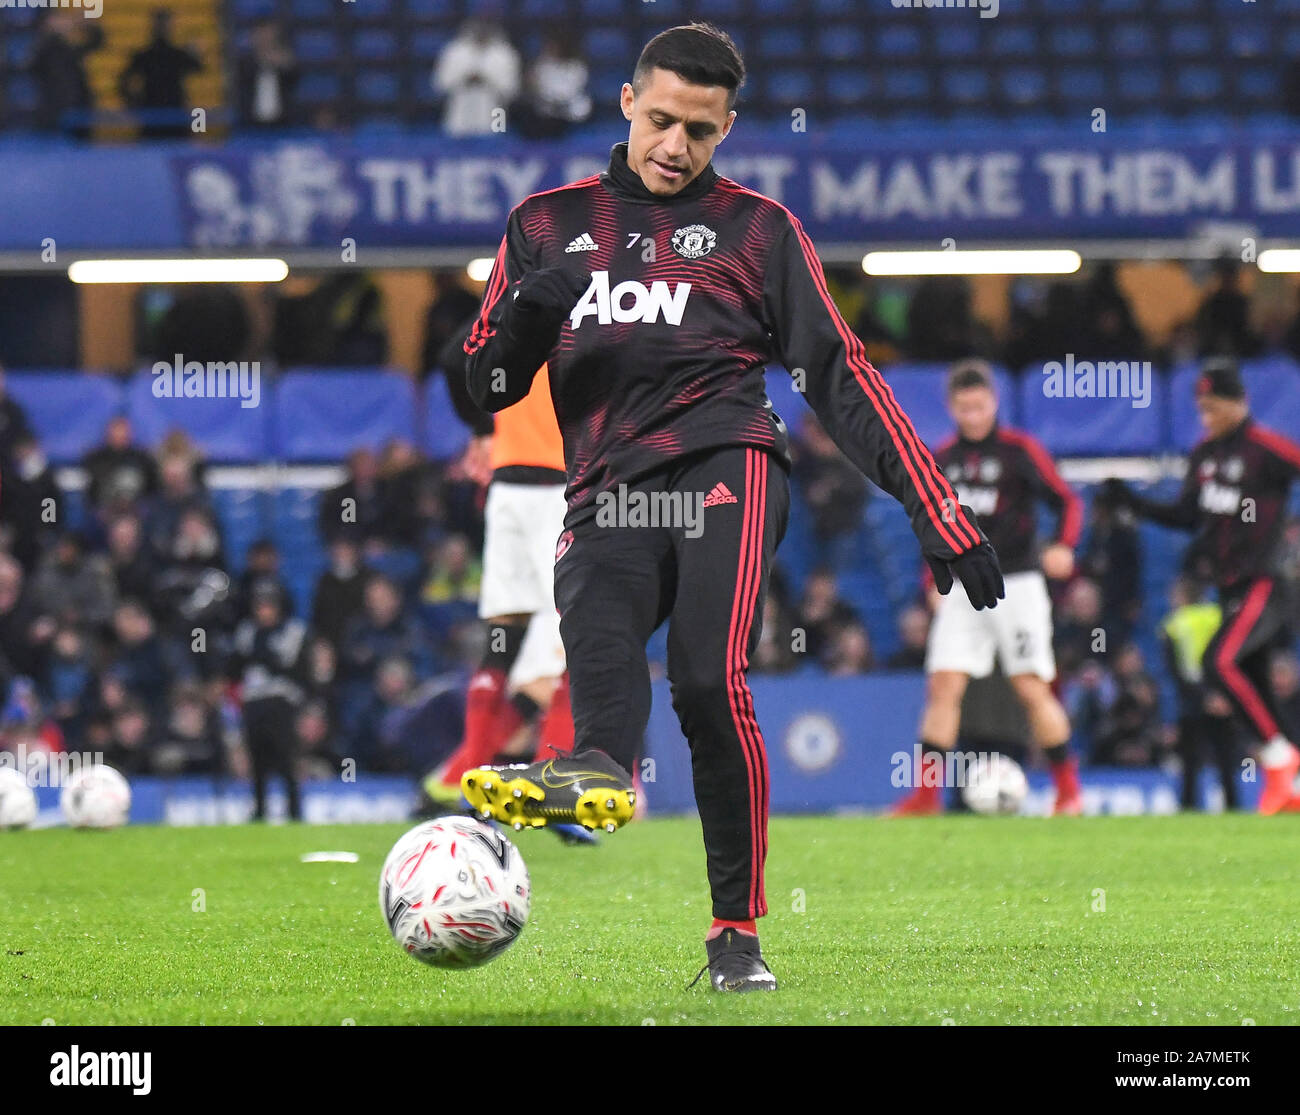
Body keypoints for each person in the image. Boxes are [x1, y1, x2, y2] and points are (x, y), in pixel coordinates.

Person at [458, 22, 1002, 992]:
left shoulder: (759, 231)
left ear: (727, 127)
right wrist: (534, 311)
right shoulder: (543, 222)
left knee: (708, 680)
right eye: (661, 120)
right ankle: (595, 770)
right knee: (603, 642)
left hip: (729, 463)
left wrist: (934, 506)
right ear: (626, 103)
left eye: (700, 132)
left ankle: (734, 936)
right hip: (603, 492)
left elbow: (840, 377)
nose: (676, 146)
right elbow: (485, 388)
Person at [1105, 359, 1300, 814]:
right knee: (1255, 686)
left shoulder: (1266, 450)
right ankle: (1288, 782)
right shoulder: (1204, 456)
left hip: (1265, 581)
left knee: (1219, 661)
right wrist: (1133, 502)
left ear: (1239, 403)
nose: (1206, 418)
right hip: (1230, 587)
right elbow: (1187, 517)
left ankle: (1280, 760)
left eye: (1213, 408)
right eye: (1201, 409)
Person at [419, 322, 587, 845]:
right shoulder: (595, 312)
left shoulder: (517, 310)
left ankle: (471, 780)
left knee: (502, 639)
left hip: (508, 487)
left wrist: (482, 431)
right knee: (575, 639)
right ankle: (550, 791)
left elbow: (452, 354)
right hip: (557, 490)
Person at [891, 361, 1082, 816]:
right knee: (944, 686)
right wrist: (931, 582)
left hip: (1017, 582)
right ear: (952, 408)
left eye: (979, 406)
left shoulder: (1020, 451)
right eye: (964, 407)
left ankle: (1069, 792)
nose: (973, 415)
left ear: (993, 403)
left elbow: (1068, 501)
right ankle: (925, 797)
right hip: (960, 586)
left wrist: (1064, 546)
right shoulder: (941, 457)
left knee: (1032, 687)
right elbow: (930, 525)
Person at [227, 583, 309, 821]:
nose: (263, 612)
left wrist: (261, 659)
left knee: (286, 760)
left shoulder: (293, 630)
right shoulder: (247, 631)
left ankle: (294, 811)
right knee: (258, 761)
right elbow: (236, 664)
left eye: (268, 606)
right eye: (260, 606)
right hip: (253, 702)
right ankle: (259, 810)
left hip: (281, 703)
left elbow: (288, 665)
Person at [1160, 576, 1238, 810]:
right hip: (1224, 697)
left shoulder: (1174, 624)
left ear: (1182, 597)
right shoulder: (1219, 617)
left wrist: (1203, 697)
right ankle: (1232, 806)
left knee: (1190, 761)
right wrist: (1223, 696)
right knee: (1226, 759)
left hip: (1193, 700)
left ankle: (1188, 805)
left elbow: (1177, 670)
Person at [118, 8, 203, 139]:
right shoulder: (147, 55)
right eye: (162, 24)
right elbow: (123, 81)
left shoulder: (175, 55)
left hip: (173, 114)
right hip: (153, 114)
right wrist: (133, 103)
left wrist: (132, 103)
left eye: (166, 24)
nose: (164, 28)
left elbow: (198, 68)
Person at [432, 18, 520, 137]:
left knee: (496, 145)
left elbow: (512, 88)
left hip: (495, 109)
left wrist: (486, 79)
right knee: (458, 146)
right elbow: (440, 84)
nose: (481, 32)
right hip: (460, 106)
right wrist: (464, 77)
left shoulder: (505, 53)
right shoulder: (454, 51)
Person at [30, 11, 105, 135]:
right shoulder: (45, 48)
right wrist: (51, 33)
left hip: (78, 105)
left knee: (81, 144)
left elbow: (97, 44)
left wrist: (91, 26)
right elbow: (34, 63)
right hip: (53, 109)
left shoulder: (69, 49)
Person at [236, 19, 298, 130]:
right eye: (261, 34)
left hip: (283, 123)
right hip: (251, 124)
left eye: (268, 33)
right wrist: (262, 59)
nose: (265, 38)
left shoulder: (285, 60)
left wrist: (284, 64)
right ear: (253, 37)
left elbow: (295, 80)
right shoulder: (244, 63)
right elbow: (242, 81)